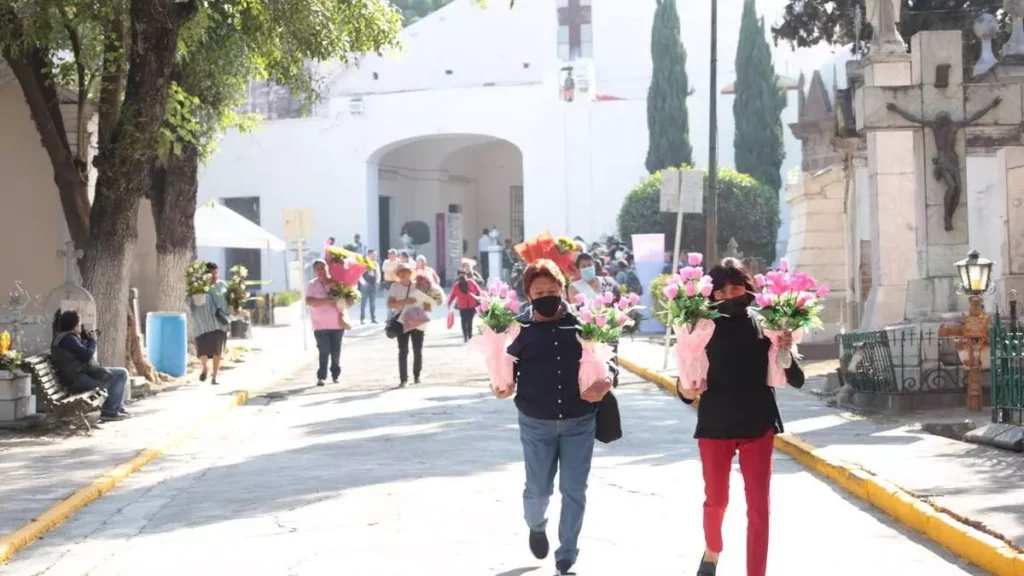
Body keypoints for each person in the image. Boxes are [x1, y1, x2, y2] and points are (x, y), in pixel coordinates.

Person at [676, 258, 805, 576]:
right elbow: (685, 389)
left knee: (760, 507)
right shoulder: (700, 327)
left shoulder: (767, 323)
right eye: (720, 291)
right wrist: (688, 387)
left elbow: (798, 378)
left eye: (736, 287)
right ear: (710, 295)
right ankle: (712, 549)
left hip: (758, 423)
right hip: (715, 424)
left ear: (747, 288)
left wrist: (785, 346)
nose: (729, 295)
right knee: (716, 501)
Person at [499, 259, 614, 575]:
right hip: (536, 423)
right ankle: (536, 525)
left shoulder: (583, 323)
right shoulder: (518, 329)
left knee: (574, 489)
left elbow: (609, 357)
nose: (547, 295)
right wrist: (501, 383)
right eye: (539, 291)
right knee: (538, 491)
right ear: (528, 294)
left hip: (580, 421)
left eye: (552, 289)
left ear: (562, 289)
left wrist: (607, 381)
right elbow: (504, 369)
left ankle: (567, 554)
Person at [50, 310, 131, 421]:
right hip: (75, 380)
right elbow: (87, 354)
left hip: (77, 375)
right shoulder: (68, 339)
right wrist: (92, 341)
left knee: (121, 372)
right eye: (79, 323)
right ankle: (110, 412)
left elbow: (81, 352)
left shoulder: (66, 337)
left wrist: (87, 339)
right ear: (74, 325)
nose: (81, 326)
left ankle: (117, 408)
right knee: (118, 376)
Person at [387, 262, 429, 387]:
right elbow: (390, 304)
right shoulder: (395, 287)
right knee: (403, 351)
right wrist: (406, 301)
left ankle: (417, 375)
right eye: (400, 272)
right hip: (402, 321)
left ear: (410, 273)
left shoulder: (419, 285)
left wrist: (426, 304)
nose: (403, 274)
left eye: (405, 271)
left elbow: (428, 303)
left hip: (417, 321)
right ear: (398, 275)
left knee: (417, 350)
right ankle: (403, 379)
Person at [305, 259, 345, 386]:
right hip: (320, 325)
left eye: (323, 268)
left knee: (335, 352)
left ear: (327, 268)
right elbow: (309, 301)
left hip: (337, 324)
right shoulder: (312, 284)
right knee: (324, 350)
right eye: (317, 269)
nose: (320, 271)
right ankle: (322, 376)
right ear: (315, 272)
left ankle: (335, 375)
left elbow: (344, 301)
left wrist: (342, 302)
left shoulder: (336, 283)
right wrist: (327, 300)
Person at [190, 262, 230, 385]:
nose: (215, 276)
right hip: (202, 323)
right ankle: (204, 367)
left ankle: (214, 377)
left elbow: (229, 300)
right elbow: (190, 301)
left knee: (217, 351)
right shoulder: (197, 286)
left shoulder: (222, 285)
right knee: (202, 349)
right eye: (212, 273)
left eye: (216, 273)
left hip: (218, 323)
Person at [447, 270, 481, 342]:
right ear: (458, 276)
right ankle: (465, 336)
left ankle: (470, 336)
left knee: (470, 321)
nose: (462, 276)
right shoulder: (456, 285)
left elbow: (478, 290)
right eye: (460, 274)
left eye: (464, 274)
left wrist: (480, 299)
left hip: (472, 305)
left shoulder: (471, 282)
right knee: (463, 321)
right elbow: (452, 295)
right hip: (462, 306)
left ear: (466, 275)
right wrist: (449, 304)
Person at [359, 248, 380, 324]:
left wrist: (377, 281)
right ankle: (362, 318)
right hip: (365, 285)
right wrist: (363, 282)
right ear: (369, 254)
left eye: (375, 255)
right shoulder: (363, 263)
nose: (375, 256)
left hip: (373, 284)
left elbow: (378, 273)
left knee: (373, 303)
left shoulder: (375, 263)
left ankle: (373, 318)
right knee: (363, 302)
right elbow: (359, 274)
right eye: (374, 254)